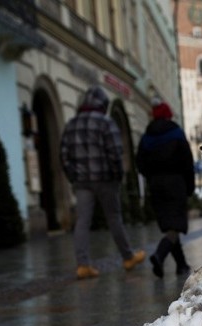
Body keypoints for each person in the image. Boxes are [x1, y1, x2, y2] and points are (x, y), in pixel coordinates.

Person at [60, 86, 145, 279]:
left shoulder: (71, 124)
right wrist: (116, 176)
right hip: (106, 179)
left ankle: (82, 265)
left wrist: (74, 176)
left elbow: (63, 156)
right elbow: (116, 152)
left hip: (82, 181)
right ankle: (127, 257)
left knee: (82, 221)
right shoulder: (106, 123)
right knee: (114, 218)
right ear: (102, 105)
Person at [135, 101, 194, 278]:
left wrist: (151, 176)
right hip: (176, 182)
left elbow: (139, 162)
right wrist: (189, 186)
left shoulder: (147, 136)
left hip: (155, 184)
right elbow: (187, 162)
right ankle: (159, 254)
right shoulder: (176, 132)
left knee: (169, 225)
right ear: (168, 114)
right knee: (175, 226)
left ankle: (181, 265)